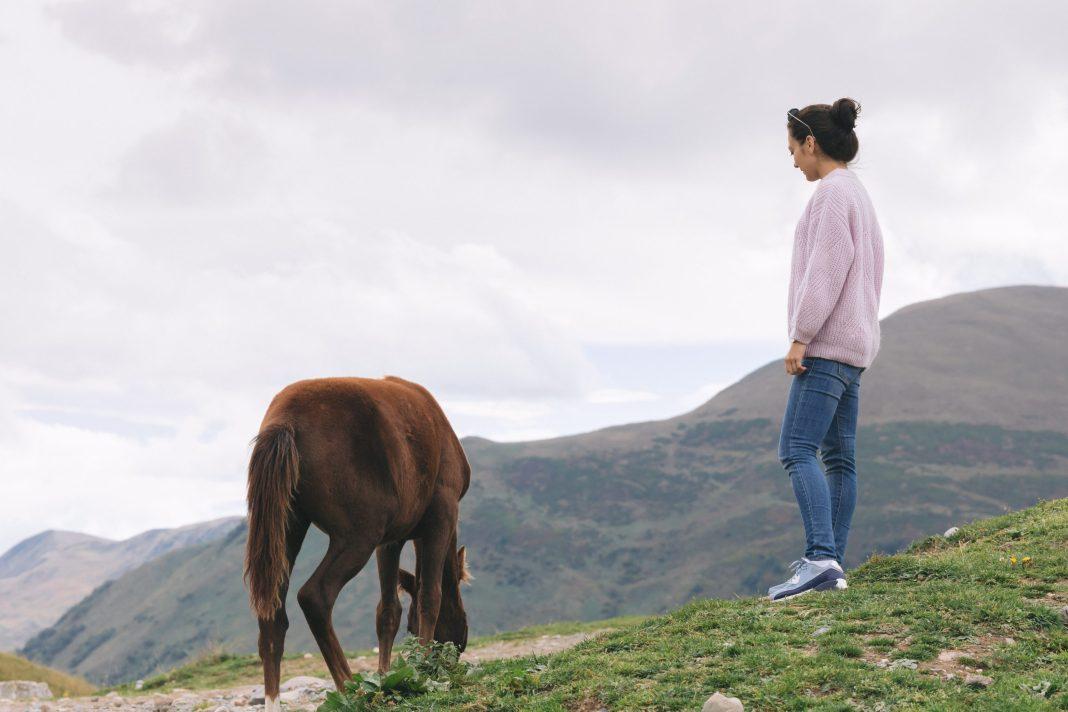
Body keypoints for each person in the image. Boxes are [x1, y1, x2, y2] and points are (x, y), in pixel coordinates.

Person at [768, 97, 885, 602]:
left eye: (793, 150)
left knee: (796, 449)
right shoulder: (857, 193)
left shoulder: (832, 195)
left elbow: (826, 271)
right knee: (840, 459)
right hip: (855, 349)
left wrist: (801, 335)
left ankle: (819, 559)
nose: (794, 161)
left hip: (827, 346)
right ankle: (830, 563)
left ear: (811, 142)